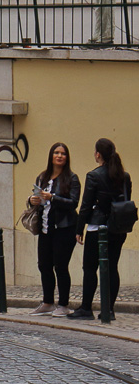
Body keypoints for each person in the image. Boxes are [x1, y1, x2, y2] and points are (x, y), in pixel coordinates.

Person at [71, 138, 132, 321]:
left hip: (98, 228)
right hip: (118, 228)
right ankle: (109, 310)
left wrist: (79, 228)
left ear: (98, 154)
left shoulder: (94, 175)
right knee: (112, 268)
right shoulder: (124, 176)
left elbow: (86, 205)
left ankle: (86, 308)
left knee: (90, 268)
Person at [27, 142, 81, 317]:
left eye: (63, 154)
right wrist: (32, 200)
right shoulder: (42, 177)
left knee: (61, 266)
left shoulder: (72, 179)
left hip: (64, 229)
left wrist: (53, 197)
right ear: (51, 156)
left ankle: (63, 304)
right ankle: (48, 302)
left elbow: (73, 203)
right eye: (56, 153)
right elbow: (37, 199)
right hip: (45, 228)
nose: (59, 156)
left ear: (67, 158)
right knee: (44, 265)